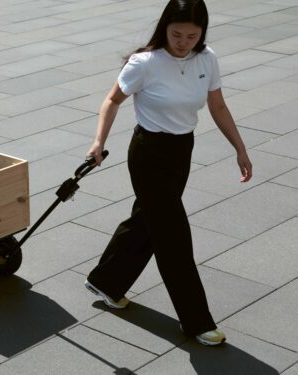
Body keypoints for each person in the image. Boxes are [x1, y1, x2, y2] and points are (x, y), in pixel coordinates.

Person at [84, 0, 252, 346]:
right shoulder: (145, 63)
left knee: (149, 219)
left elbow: (217, 105)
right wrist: (98, 141)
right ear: (164, 28)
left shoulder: (207, 59)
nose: (183, 42)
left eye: (192, 35)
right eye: (177, 34)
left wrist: (240, 148)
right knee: (173, 235)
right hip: (148, 153)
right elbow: (112, 100)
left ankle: (107, 281)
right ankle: (197, 321)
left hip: (181, 151)